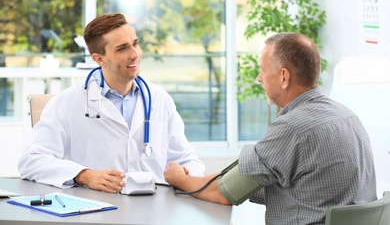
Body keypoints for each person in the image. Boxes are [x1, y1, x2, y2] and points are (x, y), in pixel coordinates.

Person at [164, 33, 377, 224]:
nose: (259, 78)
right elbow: (269, 181)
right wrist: (202, 180)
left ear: (284, 77)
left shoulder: (291, 128)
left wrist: (180, 179)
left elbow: (225, 193)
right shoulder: (348, 116)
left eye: (263, 70)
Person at [18, 13, 205, 193]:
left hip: (154, 209)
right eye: (122, 48)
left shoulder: (159, 99)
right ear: (99, 59)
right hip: (97, 209)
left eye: (135, 43)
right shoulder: (66, 103)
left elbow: (187, 160)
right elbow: (31, 160)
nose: (135, 54)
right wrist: (84, 175)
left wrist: (186, 175)